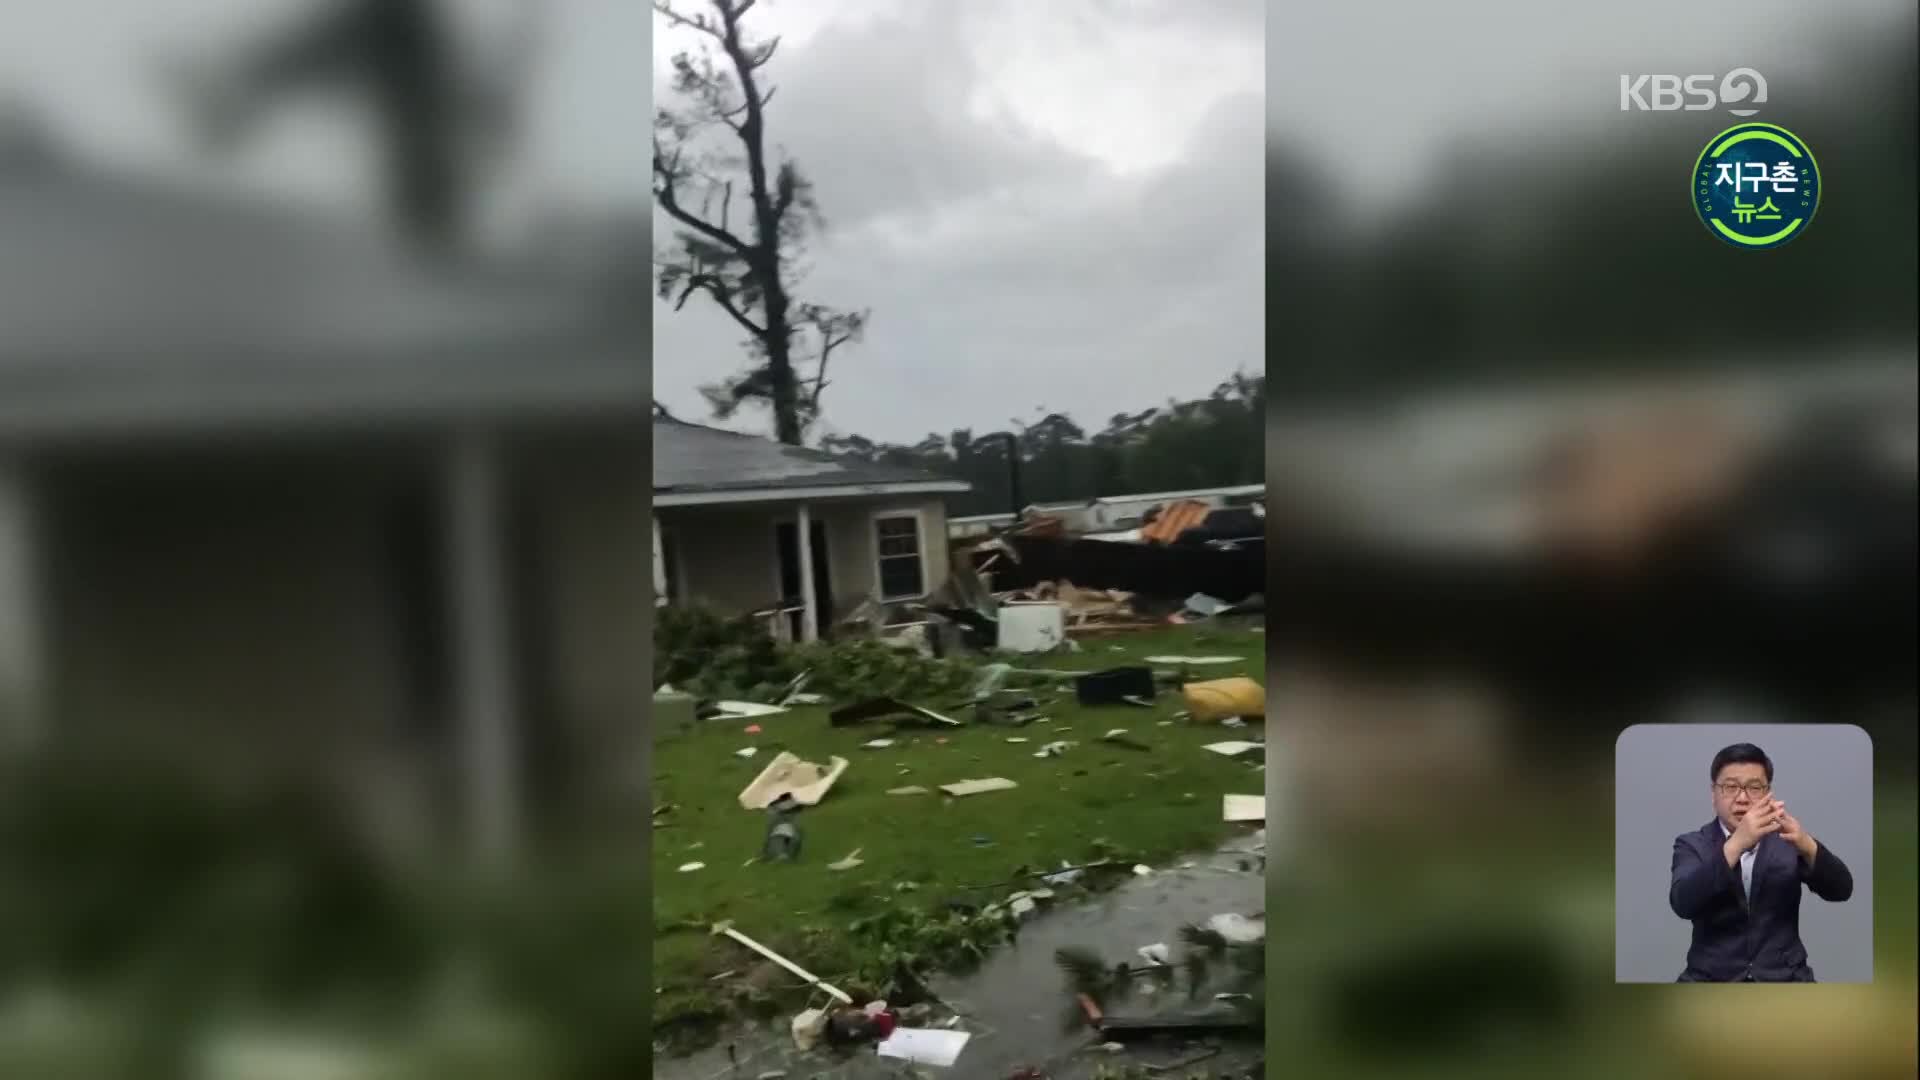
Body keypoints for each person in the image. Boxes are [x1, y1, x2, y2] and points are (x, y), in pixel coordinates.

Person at [1669, 742, 1854, 982]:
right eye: (1731, 787)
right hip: (1710, 979)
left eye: (1754, 787)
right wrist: (1736, 844)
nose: (1743, 798)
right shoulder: (1692, 844)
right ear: (1714, 794)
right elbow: (1683, 903)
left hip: (1786, 978)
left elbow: (1841, 890)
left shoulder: (1788, 840)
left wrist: (1807, 844)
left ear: (1768, 794)